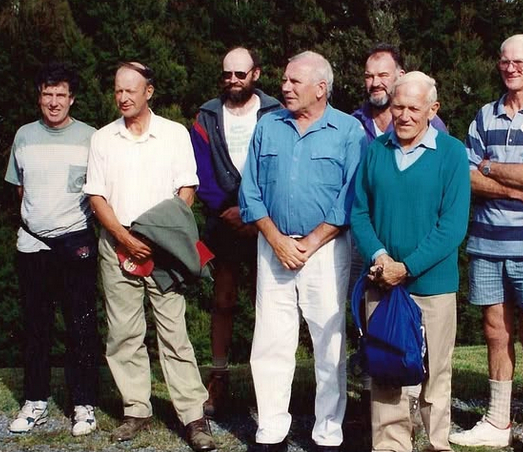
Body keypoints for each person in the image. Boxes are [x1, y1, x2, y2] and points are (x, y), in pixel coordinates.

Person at [84, 62, 215, 451]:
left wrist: (160, 236)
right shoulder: (103, 139)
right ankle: (136, 410)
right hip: (117, 245)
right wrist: (125, 237)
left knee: (174, 333)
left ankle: (193, 417)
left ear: (149, 92)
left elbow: (186, 189)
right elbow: (96, 197)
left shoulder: (174, 134)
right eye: (117, 91)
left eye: (131, 90)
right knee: (123, 333)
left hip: (165, 252)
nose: (123, 97)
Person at [238, 50, 365, 451]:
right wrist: (275, 239)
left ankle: (328, 432)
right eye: (285, 79)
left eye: (294, 81)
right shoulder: (267, 126)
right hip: (272, 246)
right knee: (271, 339)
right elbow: (250, 190)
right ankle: (271, 429)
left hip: (325, 249)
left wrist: (310, 243)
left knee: (328, 340)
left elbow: (351, 195)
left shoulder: (349, 131)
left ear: (321, 88)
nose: (284, 86)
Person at [449, 34, 523, 452]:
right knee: (495, 333)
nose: (511, 67)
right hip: (485, 241)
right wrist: (511, 186)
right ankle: (498, 422)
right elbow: (466, 176)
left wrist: (490, 167)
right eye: (505, 61)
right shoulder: (484, 115)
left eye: (520, 61)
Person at [351, 71, 470, 451]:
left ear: (432, 110)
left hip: (432, 286)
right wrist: (381, 258)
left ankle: (437, 444)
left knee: (435, 372)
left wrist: (408, 267)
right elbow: (359, 213)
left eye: (413, 108)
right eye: (397, 106)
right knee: (386, 371)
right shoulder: (376, 151)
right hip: (382, 283)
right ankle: (390, 446)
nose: (403, 115)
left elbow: (452, 225)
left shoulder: (451, 153)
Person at [4, 62, 100, 437]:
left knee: (81, 327)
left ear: (72, 99)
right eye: (48, 94)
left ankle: (84, 404)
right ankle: (35, 401)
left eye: (61, 94)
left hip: (76, 243)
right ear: (39, 97)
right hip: (32, 246)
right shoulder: (24, 136)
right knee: (35, 327)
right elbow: (20, 189)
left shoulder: (92, 137)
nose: (54, 101)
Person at [190, 47, 282, 418]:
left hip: (266, 222)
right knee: (223, 301)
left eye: (240, 74)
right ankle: (219, 377)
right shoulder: (206, 115)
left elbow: (282, 166)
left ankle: (268, 386)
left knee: (270, 306)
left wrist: (254, 213)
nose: (233, 81)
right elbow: (199, 171)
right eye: (227, 74)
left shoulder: (276, 112)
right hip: (223, 220)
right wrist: (227, 211)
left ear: (255, 74)